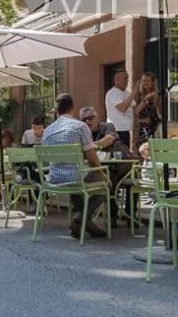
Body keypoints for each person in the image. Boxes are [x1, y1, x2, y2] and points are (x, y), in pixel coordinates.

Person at [42, 94, 108, 240]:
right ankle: (80, 219)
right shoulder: (80, 126)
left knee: (77, 182)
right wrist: (102, 172)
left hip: (54, 179)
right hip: (76, 177)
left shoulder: (47, 131)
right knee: (106, 183)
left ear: (56, 111)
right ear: (73, 108)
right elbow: (92, 158)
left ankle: (86, 224)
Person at [80, 106, 133, 228]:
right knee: (108, 176)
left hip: (124, 163)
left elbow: (109, 139)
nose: (88, 121)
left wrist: (91, 147)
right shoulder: (84, 133)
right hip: (107, 167)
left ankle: (131, 215)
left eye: (90, 118)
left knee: (124, 177)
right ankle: (112, 217)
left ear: (97, 118)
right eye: (84, 120)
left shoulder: (107, 126)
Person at [105, 69, 136, 148]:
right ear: (117, 80)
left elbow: (135, 110)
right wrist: (134, 92)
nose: (127, 81)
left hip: (125, 131)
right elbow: (122, 108)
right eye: (125, 78)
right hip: (116, 131)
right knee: (118, 154)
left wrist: (146, 99)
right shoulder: (112, 93)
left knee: (125, 153)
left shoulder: (127, 93)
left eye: (127, 78)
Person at [135, 72, 163, 144]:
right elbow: (135, 112)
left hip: (155, 128)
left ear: (152, 82)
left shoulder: (157, 96)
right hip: (143, 129)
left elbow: (160, 112)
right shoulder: (138, 95)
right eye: (143, 80)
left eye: (148, 80)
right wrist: (147, 98)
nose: (145, 83)